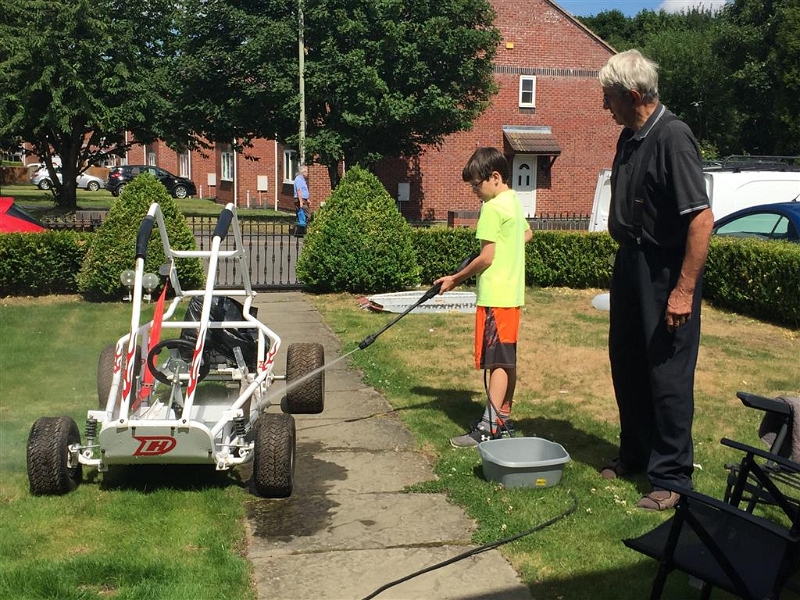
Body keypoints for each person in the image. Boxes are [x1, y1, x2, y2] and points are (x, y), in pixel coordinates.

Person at [598, 49, 714, 510]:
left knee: (666, 372)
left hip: (666, 272)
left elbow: (701, 220)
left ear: (632, 95)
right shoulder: (629, 137)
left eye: (609, 97)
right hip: (630, 263)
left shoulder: (673, 137)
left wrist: (683, 291)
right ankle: (636, 453)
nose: (604, 106)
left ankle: (671, 477)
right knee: (626, 361)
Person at [434, 147, 533, 448]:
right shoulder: (512, 200)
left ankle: (488, 427)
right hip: (512, 294)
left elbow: (487, 257)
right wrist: (507, 247)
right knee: (507, 359)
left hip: (495, 295)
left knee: (497, 362)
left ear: (495, 177)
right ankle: (502, 418)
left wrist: (455, 279)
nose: (474, 191)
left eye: (476, 185)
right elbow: (526, 234)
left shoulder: (491, 208)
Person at [293, 164, 310, 235]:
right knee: (308, 215)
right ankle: (305, 230)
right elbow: (299, 191)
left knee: (301, 215)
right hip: (300, 199)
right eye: (307, 172)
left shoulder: (303, 180)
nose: (307, 173)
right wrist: (301, 202)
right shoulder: (298, 179)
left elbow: (304, 190)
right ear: (303, 172)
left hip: (304, 199)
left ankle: (300, 231)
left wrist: (307, 199)